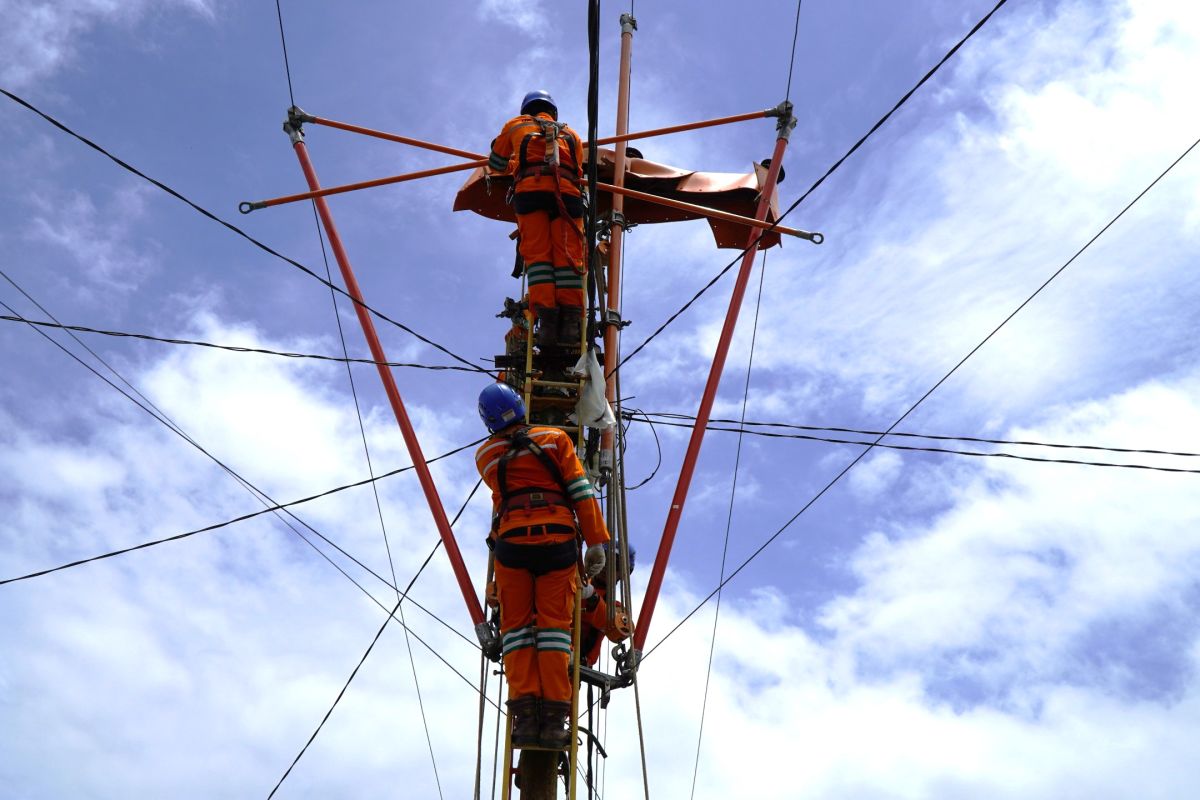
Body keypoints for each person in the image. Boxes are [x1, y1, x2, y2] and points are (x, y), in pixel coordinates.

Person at [475, 382, 609, 749]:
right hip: (556, 542)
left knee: (516, 631)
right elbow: (580, 490)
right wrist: (596, 541)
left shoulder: (485, 456)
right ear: (519, 406)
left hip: (512, 547)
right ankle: (552, 721)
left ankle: (525, 718)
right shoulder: (554, 439)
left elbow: (502, 501)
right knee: (554, 632)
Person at [487, 90, 586, 350]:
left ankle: (548, 323)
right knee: (569, 256)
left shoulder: (515, 125)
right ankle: (572, 323)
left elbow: (496, 163)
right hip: (567, 195)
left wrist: (515, 164)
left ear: (526, 110)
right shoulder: (571, 134)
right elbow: (577, 170)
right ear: (553, 112)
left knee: (539, 257)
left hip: (530, 193)